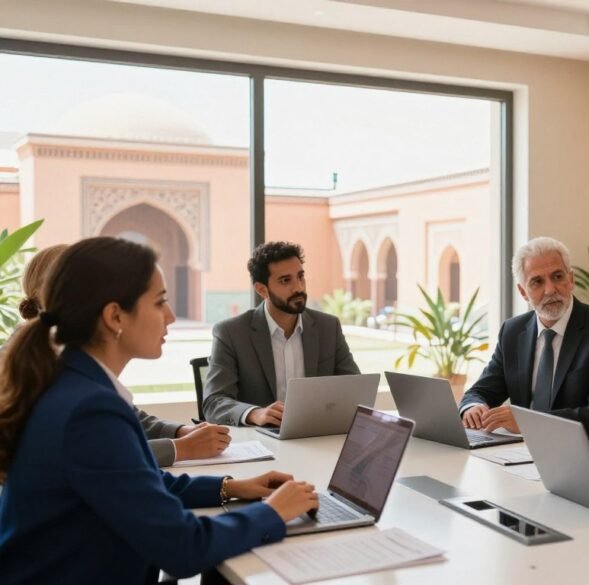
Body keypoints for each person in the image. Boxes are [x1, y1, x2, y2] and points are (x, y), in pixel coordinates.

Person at [0, 237, 319, 583]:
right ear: (114, 316)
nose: (170, 316)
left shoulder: (73, 383)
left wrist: (232, 487)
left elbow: (139, 482)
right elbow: (183, 548)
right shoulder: (89, 410)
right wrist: (273, 512)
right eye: (160, 302)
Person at [12, 244, 231, 467]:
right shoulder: (50, 369)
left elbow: (125, 418)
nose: (170, 317)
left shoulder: (74, 361)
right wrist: (181, 447)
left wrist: (181, 432)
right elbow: (104, 457)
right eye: (158, 302)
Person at [459, 237, 589, 456]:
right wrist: (472, 407)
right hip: (522, 453)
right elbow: (481, 391)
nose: (550, 290)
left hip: (588, 457)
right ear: (523, 292)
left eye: (557, 277)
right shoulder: (513, 332)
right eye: (537, 282)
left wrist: (528, 421)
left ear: (571, 279)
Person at [203, 241, 360, 426]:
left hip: (315, 436)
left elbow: (355, 389)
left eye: (300, 277)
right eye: (286, 281)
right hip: (260, 442)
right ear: (262, 290)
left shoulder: (328, 327)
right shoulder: (231, 333)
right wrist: (255, 413)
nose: (298, 288)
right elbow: (214, 402)